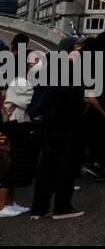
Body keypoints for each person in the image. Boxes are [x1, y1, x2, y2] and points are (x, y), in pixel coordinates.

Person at [28, 38, 90, 221]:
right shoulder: (69, 70)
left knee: (46, 166)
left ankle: (38, 209)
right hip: (66, 126)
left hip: (46, 124)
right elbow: (76, 97)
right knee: (66, 167)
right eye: (80, 48)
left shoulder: (49, 66)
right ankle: (62, 208)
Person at [0, 48, 42, 217]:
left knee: (16, 165)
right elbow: (33, 103)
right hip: (15, 126)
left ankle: (11, 202)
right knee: (9, 166)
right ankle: (2, 206)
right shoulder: (20, 82)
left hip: (21, 125)